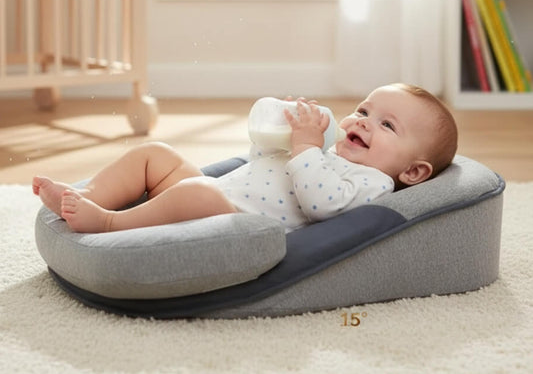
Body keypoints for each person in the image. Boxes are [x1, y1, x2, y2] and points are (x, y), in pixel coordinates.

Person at [33, 83, 458, 234]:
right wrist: (282, 136)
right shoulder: (329, 150)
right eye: (364, 111)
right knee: (155, 154)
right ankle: (88, 193)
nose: (363, 123)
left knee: (196, 191)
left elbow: (321, 205)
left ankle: (107, 222)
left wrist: (306, 147)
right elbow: (261, 163)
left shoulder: (373, 184)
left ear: (413, 171)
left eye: (387, 126)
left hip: (233, 218)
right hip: (216, 192)